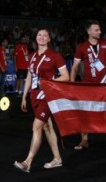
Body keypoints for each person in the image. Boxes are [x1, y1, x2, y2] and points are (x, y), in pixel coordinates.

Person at [13, 28, 70, 173]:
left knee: (36, 127)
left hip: (47, 95)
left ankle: (28, 162)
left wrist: (48, 82)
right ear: (36, 38)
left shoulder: (55, 55)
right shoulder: (32, 56)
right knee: (46, 127)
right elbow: (29, 76)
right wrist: (24, 96)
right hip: (34, 95)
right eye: (39, 35)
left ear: (49, 39)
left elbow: (66, 76)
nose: (42, 37)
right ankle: (57, 158)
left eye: (45, 35)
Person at [69, 20, 106, 149]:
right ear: (89, 32)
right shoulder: (82, 47)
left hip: (104, 85)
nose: (100, 32)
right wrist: (72, 85)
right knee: (85, 112)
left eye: (100, 29)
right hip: (88, 85)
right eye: (97, 30)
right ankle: (84, 139)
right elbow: (75, 67)